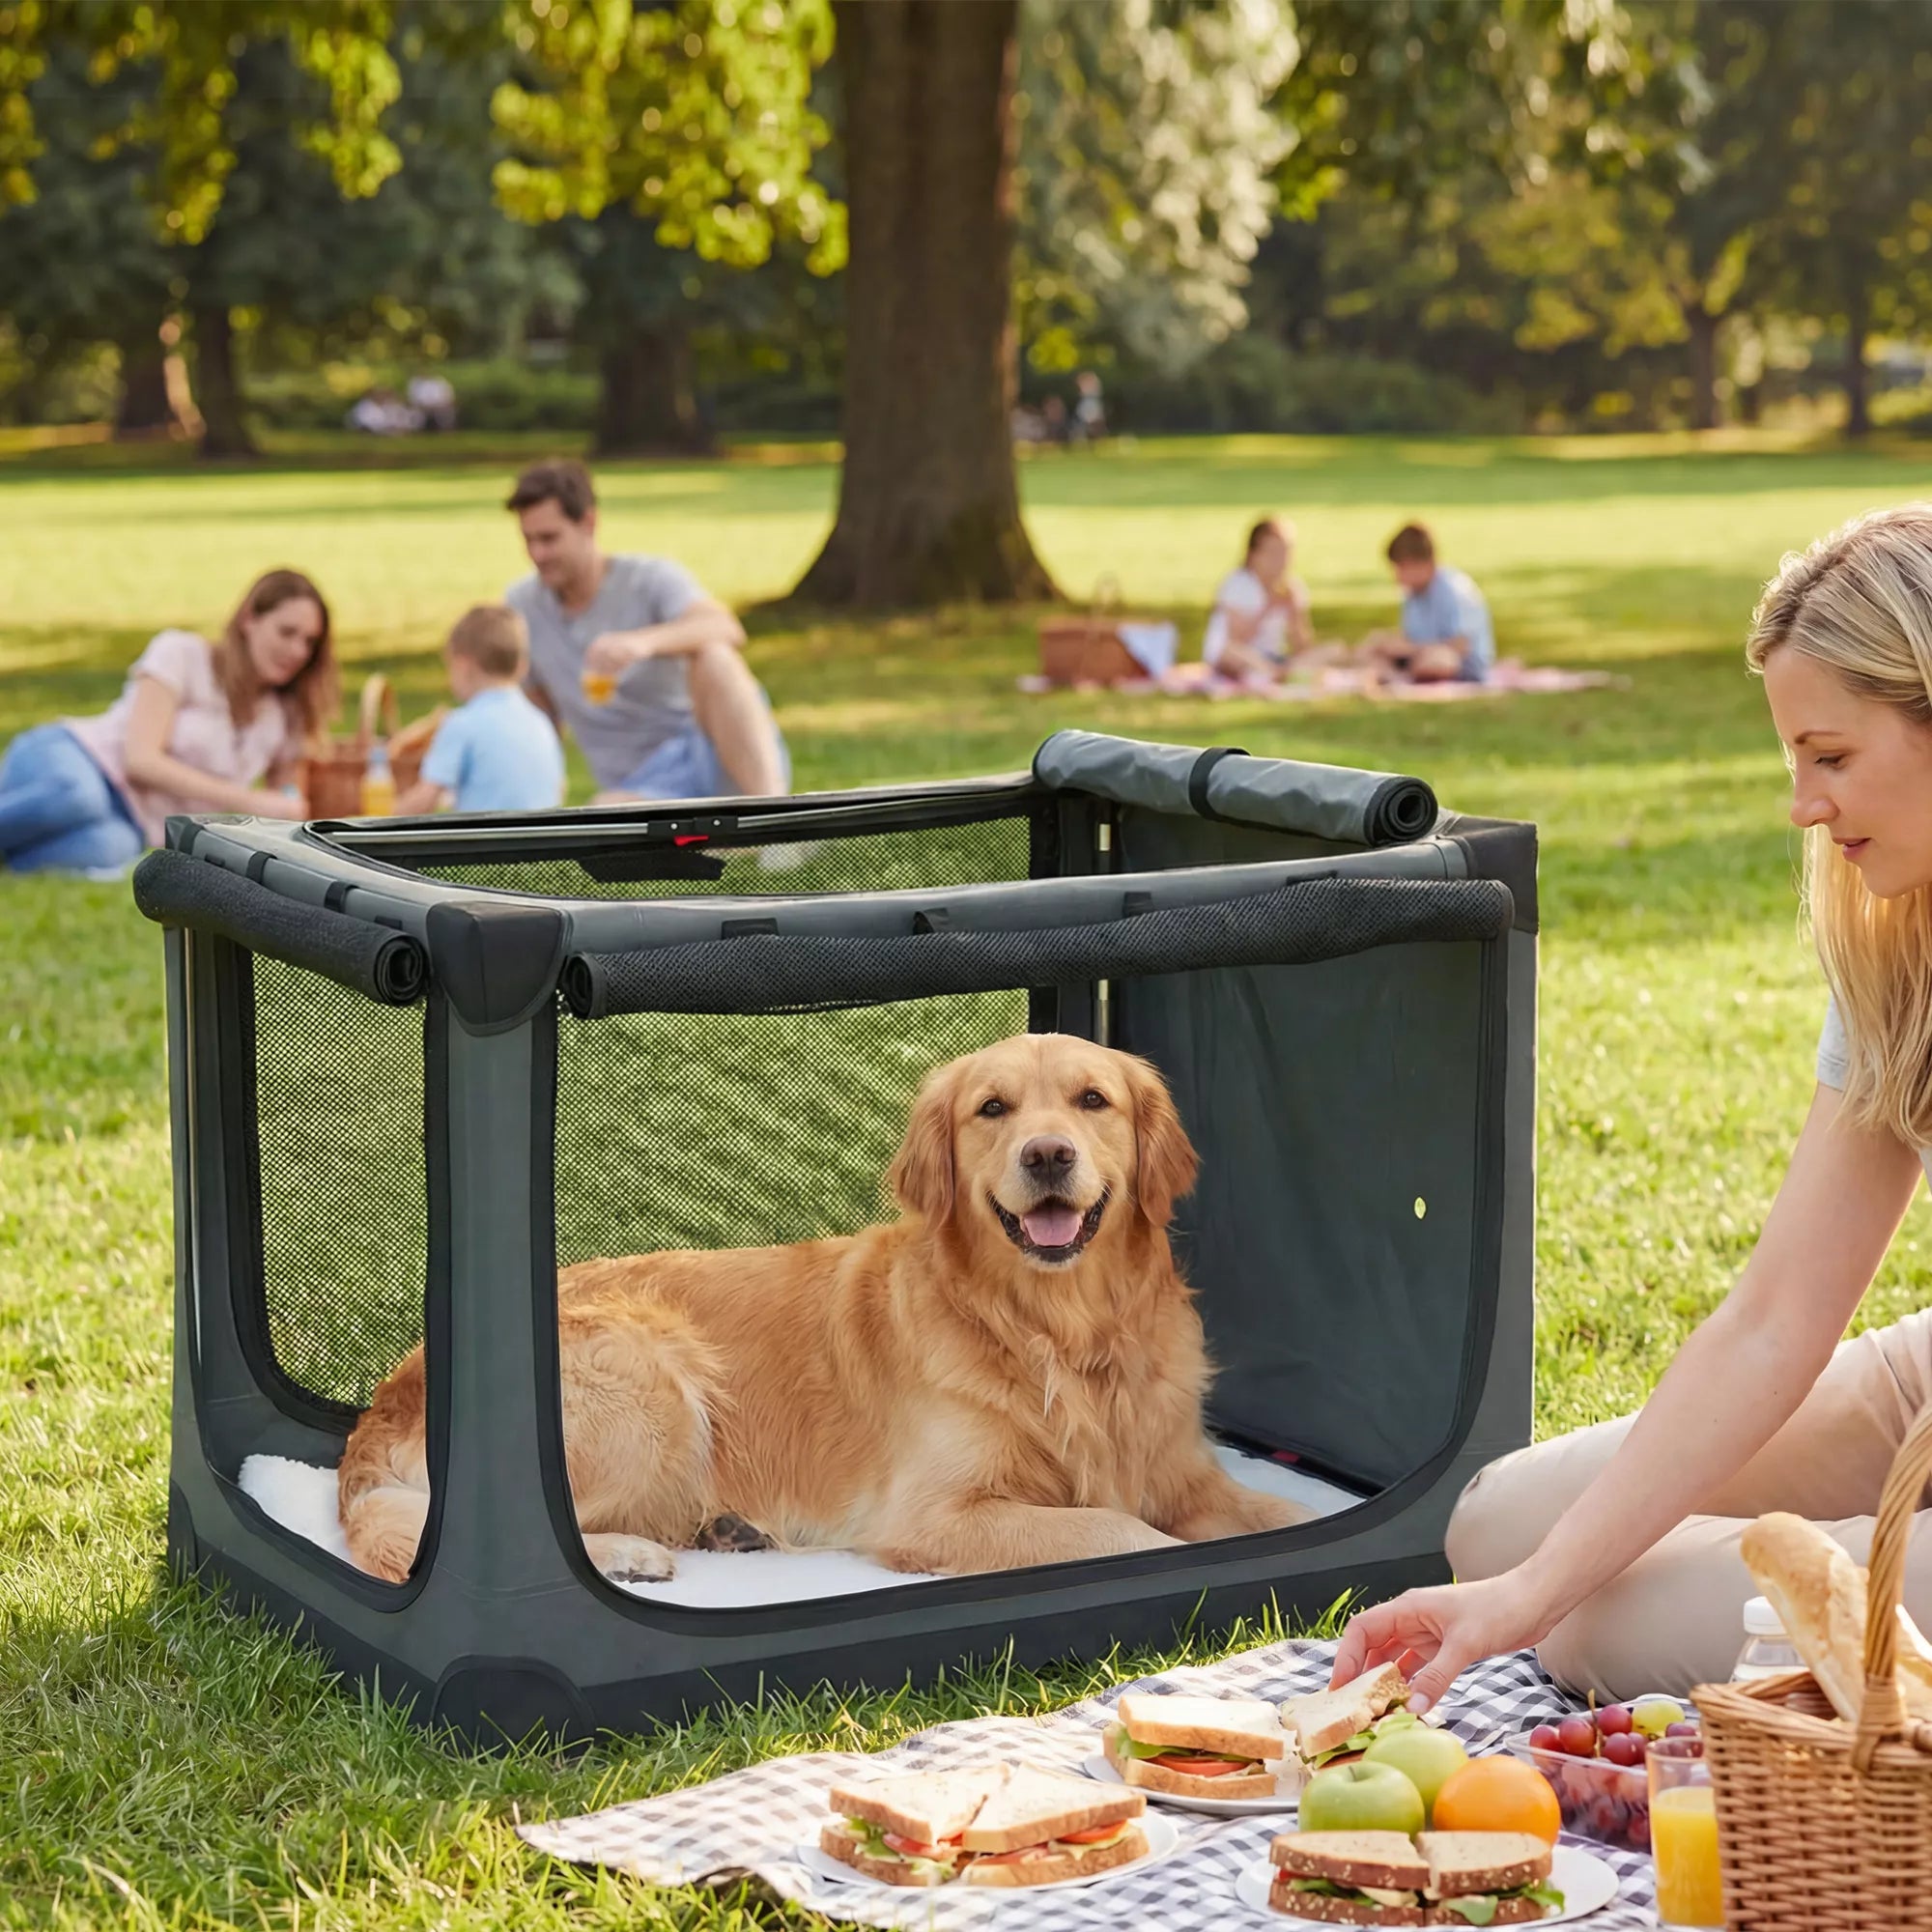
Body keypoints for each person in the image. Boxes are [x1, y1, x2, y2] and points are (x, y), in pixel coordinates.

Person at [1331, 503, 1932, 1715]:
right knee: (1504, 1532)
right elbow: (1774, 1316)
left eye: (1830, 755)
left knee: (1617, 1620)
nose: (1804, 806)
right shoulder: (1895, 947)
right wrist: (1525, 1589)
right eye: (1790, 763)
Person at [0, 569, 333, 876]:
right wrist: (246, 799)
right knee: (79, 797)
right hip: (77, 758)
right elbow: (140, 760)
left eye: (309, 642)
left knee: (109, 849)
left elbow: (286, 802)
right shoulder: (182, 655)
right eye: (287, 632)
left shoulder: (283, 716)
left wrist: (287, 805)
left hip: (132, 822)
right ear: (249, 619)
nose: (297, 650)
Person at [503, 458, 788, 804]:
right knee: (601, 814)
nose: (537, 554)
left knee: (715, 655)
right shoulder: (522, 606)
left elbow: (725, 627)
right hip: (642, 786)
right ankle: (730, 841)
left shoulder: (649, 578)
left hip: (714, 755)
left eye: (549, 539)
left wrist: (643, 642)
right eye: (528, 540)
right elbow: (539, 716)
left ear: (589, 523)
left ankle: (774, 814)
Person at [395, 605, 564, 816]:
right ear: (522, 666)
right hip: (541, 843)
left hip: (486, 845)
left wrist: (382, 817)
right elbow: (555, 790)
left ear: (463, 665)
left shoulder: (461, 724)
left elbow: (423, 802)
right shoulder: (541, 722)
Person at [1361, 524, 1495, 685]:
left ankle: (1396, 676)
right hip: (1421, 655)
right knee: (1373, 648)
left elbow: (1461, 646)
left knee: (1439, 659)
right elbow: (1412, 636)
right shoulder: (1413, 595)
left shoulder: (1455, 590)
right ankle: (1392, 674)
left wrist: (1411, 649)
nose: (1397, 577)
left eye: (1402, 568)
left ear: (1423, 563)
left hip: (1462, 664)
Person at [1202, 516, 1315, 684]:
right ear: (1253, 555)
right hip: (1235, 657)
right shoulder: (1237, 584)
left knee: (1333, 651)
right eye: (1273, 552)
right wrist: (1268, 606)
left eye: (1286, 552)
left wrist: (1294, 612)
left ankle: (1277, 672)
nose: (1281, 560)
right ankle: (1273, 674)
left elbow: (1303, 648)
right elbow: (1237, 640)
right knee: (1234, 653)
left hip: (1272, 657)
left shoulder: (1292, 587)